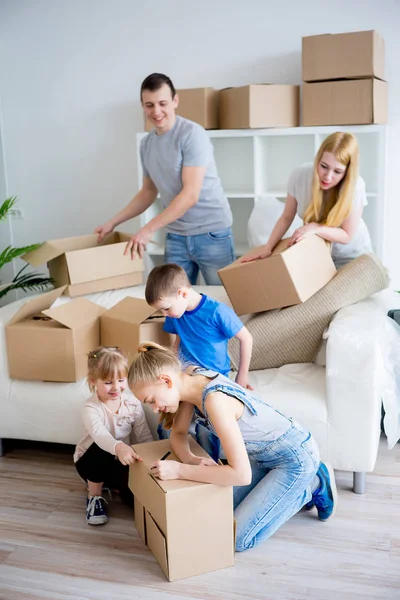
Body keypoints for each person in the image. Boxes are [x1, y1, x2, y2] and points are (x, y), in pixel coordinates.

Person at [127, 342, 338, 552]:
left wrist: (180, 470)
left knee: (237, 539)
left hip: (295, 458)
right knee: (218, 514)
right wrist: (192, 460)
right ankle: (298, 485)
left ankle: (313, 484)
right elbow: (179, 435)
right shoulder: (188, 379)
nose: (154, 409)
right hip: (262, 458)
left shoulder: (214, 401)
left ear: (165, 381)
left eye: (152, 400)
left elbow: (241, 475)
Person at [95, 72, 234, 285]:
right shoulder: (147, 144)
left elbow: (190, 195)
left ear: (175, 101)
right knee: (173, 300)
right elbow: (148, 192)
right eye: (149, 105)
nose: (157, 111)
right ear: (142, 105)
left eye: (162, 103)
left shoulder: (192, 134)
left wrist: (148, 229)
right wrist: (112, 223)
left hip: (211, 233)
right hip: (176, 235)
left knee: (224, 299)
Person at [145, 262, 253, 460]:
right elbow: (177, 341)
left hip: (213, 382)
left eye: (166, 309)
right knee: (167, 426)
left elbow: (246, 338)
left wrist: (242, 376)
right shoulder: (175, 312)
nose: (165, 314)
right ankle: (177, 467)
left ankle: (210, 471)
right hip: (185, 379)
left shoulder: (217, 311)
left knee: (209, 432)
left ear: (183, 294)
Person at [243, 132, 372, 269]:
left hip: (351, 257)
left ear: (347, 172)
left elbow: (347, 235)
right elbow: (287, 217)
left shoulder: (356, 186)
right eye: (324, 166)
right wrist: (268, 247)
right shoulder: (300, 175)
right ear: (318, 159)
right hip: (316, 253)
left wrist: (315, 228)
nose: (327, 177)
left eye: (337, 171)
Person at [74, 346, 152, 526]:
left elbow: (144, 436)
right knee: (102, 449)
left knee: (136, 502)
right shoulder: (90, 408)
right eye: (108, 382)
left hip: (120, 461)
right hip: (90, 462)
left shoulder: (132, 403)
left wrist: (148, 462)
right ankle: (94, 496)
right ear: (93, 381)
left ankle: (114, 486)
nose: (116, 387)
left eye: (121, 380)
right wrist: (118, 447)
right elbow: (100, 435)